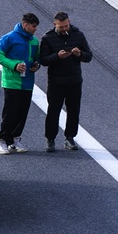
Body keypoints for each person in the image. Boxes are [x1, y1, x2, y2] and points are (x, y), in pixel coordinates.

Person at [40, 11, 93, 152]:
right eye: (61, 27)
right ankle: (50, 139)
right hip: (56, 82)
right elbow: (43, 60)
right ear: (54, 24)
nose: (64, 29)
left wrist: (79, 54)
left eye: (66, 26)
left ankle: (70, 138)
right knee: (53, 111)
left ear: (69, 22)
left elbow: (89, 56)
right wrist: (57, 56)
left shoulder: (78, 35)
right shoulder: (47, 38)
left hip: (74, 81)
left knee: (74, 110)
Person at [0, 12, 40, 154]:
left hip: (27, 82)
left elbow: (36, 58)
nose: (35, 29)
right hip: (11, 82)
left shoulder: (34, 41)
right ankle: (2, 141)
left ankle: (15, 140)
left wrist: (36, 65)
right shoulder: (9, 38)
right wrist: (14, 65)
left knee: (22, 112)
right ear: (25, 24)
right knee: (9, 113)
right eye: (33, 26)